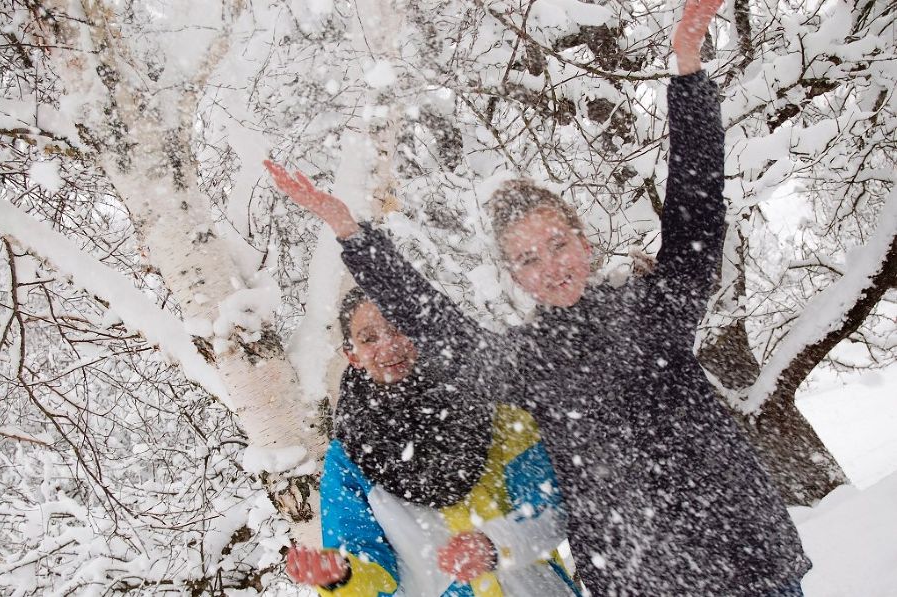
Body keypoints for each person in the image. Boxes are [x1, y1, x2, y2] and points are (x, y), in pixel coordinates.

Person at [268, 1, 813, 594]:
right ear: (514, 277)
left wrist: (686, 71)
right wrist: (352, 232)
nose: (551, 267)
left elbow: (697, 204)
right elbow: (435, 324)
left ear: (583, 241)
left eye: (557, 244)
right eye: (528, 259)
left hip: (743, 554)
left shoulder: (658, 307)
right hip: (640, 579)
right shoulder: (525, 360)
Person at [285, 287, 581, 597]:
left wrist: (494, 545)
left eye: (397, 328)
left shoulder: (495, 410)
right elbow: (368, 566)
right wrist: (342, 576)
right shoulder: (347, 459)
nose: (388, 346)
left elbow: (549, 512)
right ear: (352, 355)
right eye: (369, 338)